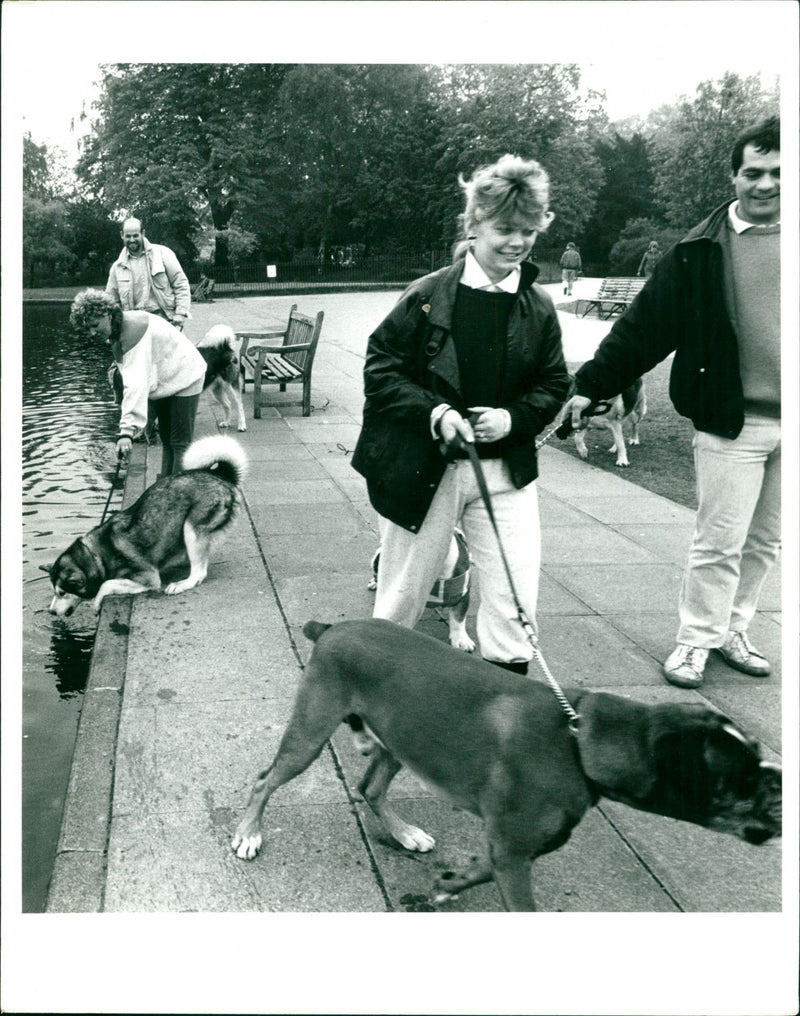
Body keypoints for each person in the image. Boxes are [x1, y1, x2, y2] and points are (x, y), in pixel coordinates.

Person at [563, 116, 780, 688]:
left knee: (766, 541)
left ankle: (734, 629)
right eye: (753, 172)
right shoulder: (699, 249)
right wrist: (590, 385)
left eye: (780, 174)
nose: (766, 185)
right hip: (731, 420)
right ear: (734, 175)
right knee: (719, 541)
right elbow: (644, 328)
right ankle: (694, 641)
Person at [352, 154, 570, 674]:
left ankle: (503, 708)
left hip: (505, 471)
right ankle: (374, 697)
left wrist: (514, 419)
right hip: (429, 470)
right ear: (474, 223)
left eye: (528, 232)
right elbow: (381, 370)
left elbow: (555, 381)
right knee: (402, 595)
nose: (517, 243)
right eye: (504, 229)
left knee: (516, 602)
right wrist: (437, 412)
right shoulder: (427, 296)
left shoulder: (538, 306)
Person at [70, 289, 206, 476]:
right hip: (165, 378)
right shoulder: (117, 328)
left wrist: (126, 432)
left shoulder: (132, 332)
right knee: (167, 441)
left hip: (186, 374)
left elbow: (136, 383)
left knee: (180, 443)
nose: (92, 333)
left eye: (95, 325)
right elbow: (132, 377)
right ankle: (165, 489)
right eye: (88, 329)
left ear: (107, 314)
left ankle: (178, 498)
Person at [106, 217, 191, 330]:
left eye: (135, 235)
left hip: (165, 321)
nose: (132, 239)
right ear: (122, 235)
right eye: (128, 236)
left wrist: (180, 313)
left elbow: (180, 283)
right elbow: (111, 300)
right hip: (134, 326)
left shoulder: (163, 254)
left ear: (143, 233)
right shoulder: (117, 267)